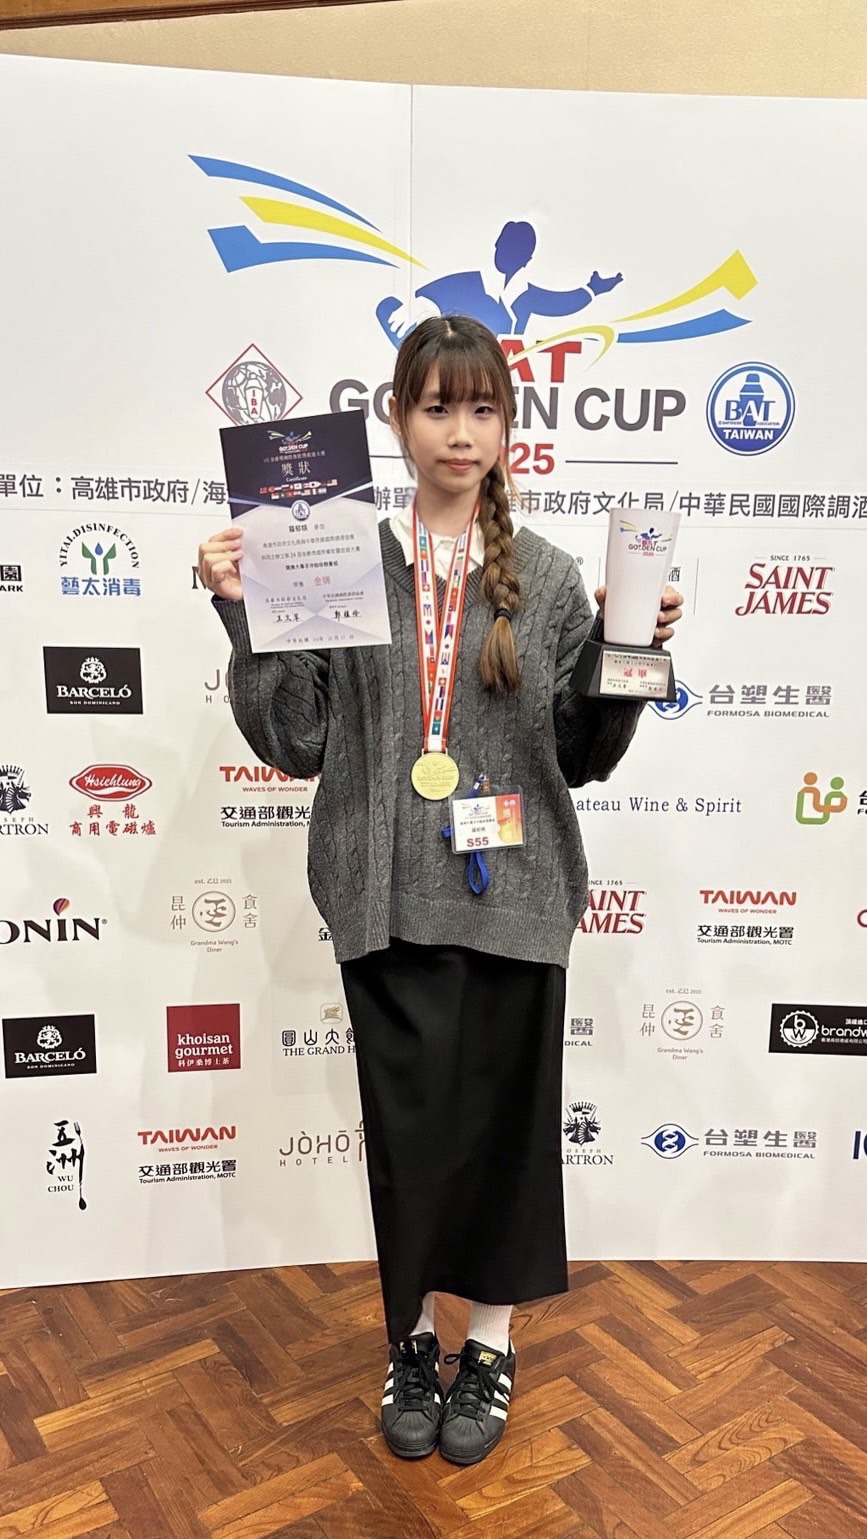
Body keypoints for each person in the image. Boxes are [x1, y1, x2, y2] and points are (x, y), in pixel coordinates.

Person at [197, 314, 683, 1469]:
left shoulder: (547, 576)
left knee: (507, 1139)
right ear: (398, 417)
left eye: (482, 409)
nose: (460, 433)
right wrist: (243, 608)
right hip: (382, 891)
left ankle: (493, 1348)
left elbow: (582, 752)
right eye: (437, 407)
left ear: (508, 426)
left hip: (516, 894)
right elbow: (297, 739)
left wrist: (627, 654)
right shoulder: (336, 557)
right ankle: (413, 1342)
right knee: (410, 1143)